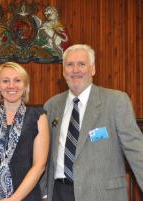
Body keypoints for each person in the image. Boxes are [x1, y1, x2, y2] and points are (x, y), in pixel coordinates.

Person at [41, 44, 143, 201]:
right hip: (58, 194)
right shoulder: (51, 106)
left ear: (93, 69)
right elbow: (43, 155)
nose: (75, 70)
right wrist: (43, 192)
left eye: (81, 64)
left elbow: (136, 150)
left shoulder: (115, 101)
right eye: (69, 65)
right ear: (63, 71)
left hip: (102, 194)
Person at [0, 62, 49, 201]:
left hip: (26, 194)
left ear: (25, 85)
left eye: (17, 80)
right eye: (5, 81)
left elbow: (40, 165)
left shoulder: (38, 116)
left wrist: (14, 199)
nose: (11, 85)